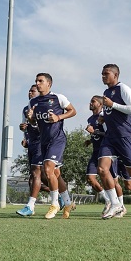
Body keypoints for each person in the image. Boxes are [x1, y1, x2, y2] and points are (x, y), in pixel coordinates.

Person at [97, 64, 131, 220]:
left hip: (125, 137)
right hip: (110, 137)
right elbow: (110, 110)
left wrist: (112, 105)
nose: (103, 76)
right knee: (102, 169)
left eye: (106, 73)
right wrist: (104, 115)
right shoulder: (106, 92)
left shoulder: (123, 89)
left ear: (116, 75)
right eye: (102, 74)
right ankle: (115, 204)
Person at [27, 73, 77, 219]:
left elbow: (73, 111)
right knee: (55, 174)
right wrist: (30, 119)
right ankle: (67, 202)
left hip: (57, 139)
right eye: (36, 81)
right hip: (44, 141)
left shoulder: (58, 98)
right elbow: (34, 123)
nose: (37, 83)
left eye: (40, 81)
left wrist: (58, 117)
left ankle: (55, 204)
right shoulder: (33, 102)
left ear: (49, 83)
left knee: (48, 169)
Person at [17, 85, 52, 217]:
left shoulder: (43, 106)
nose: (30, 92)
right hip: (31, 144)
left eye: (33, 91)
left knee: (36, 172)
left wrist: (33, 124)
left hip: (40, 143)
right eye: (29, 90)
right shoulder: (26, 108)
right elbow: (25, 126)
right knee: (34, 178)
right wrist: (24, 135)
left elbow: (44, 127)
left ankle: (30, 206)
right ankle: (58, 194)